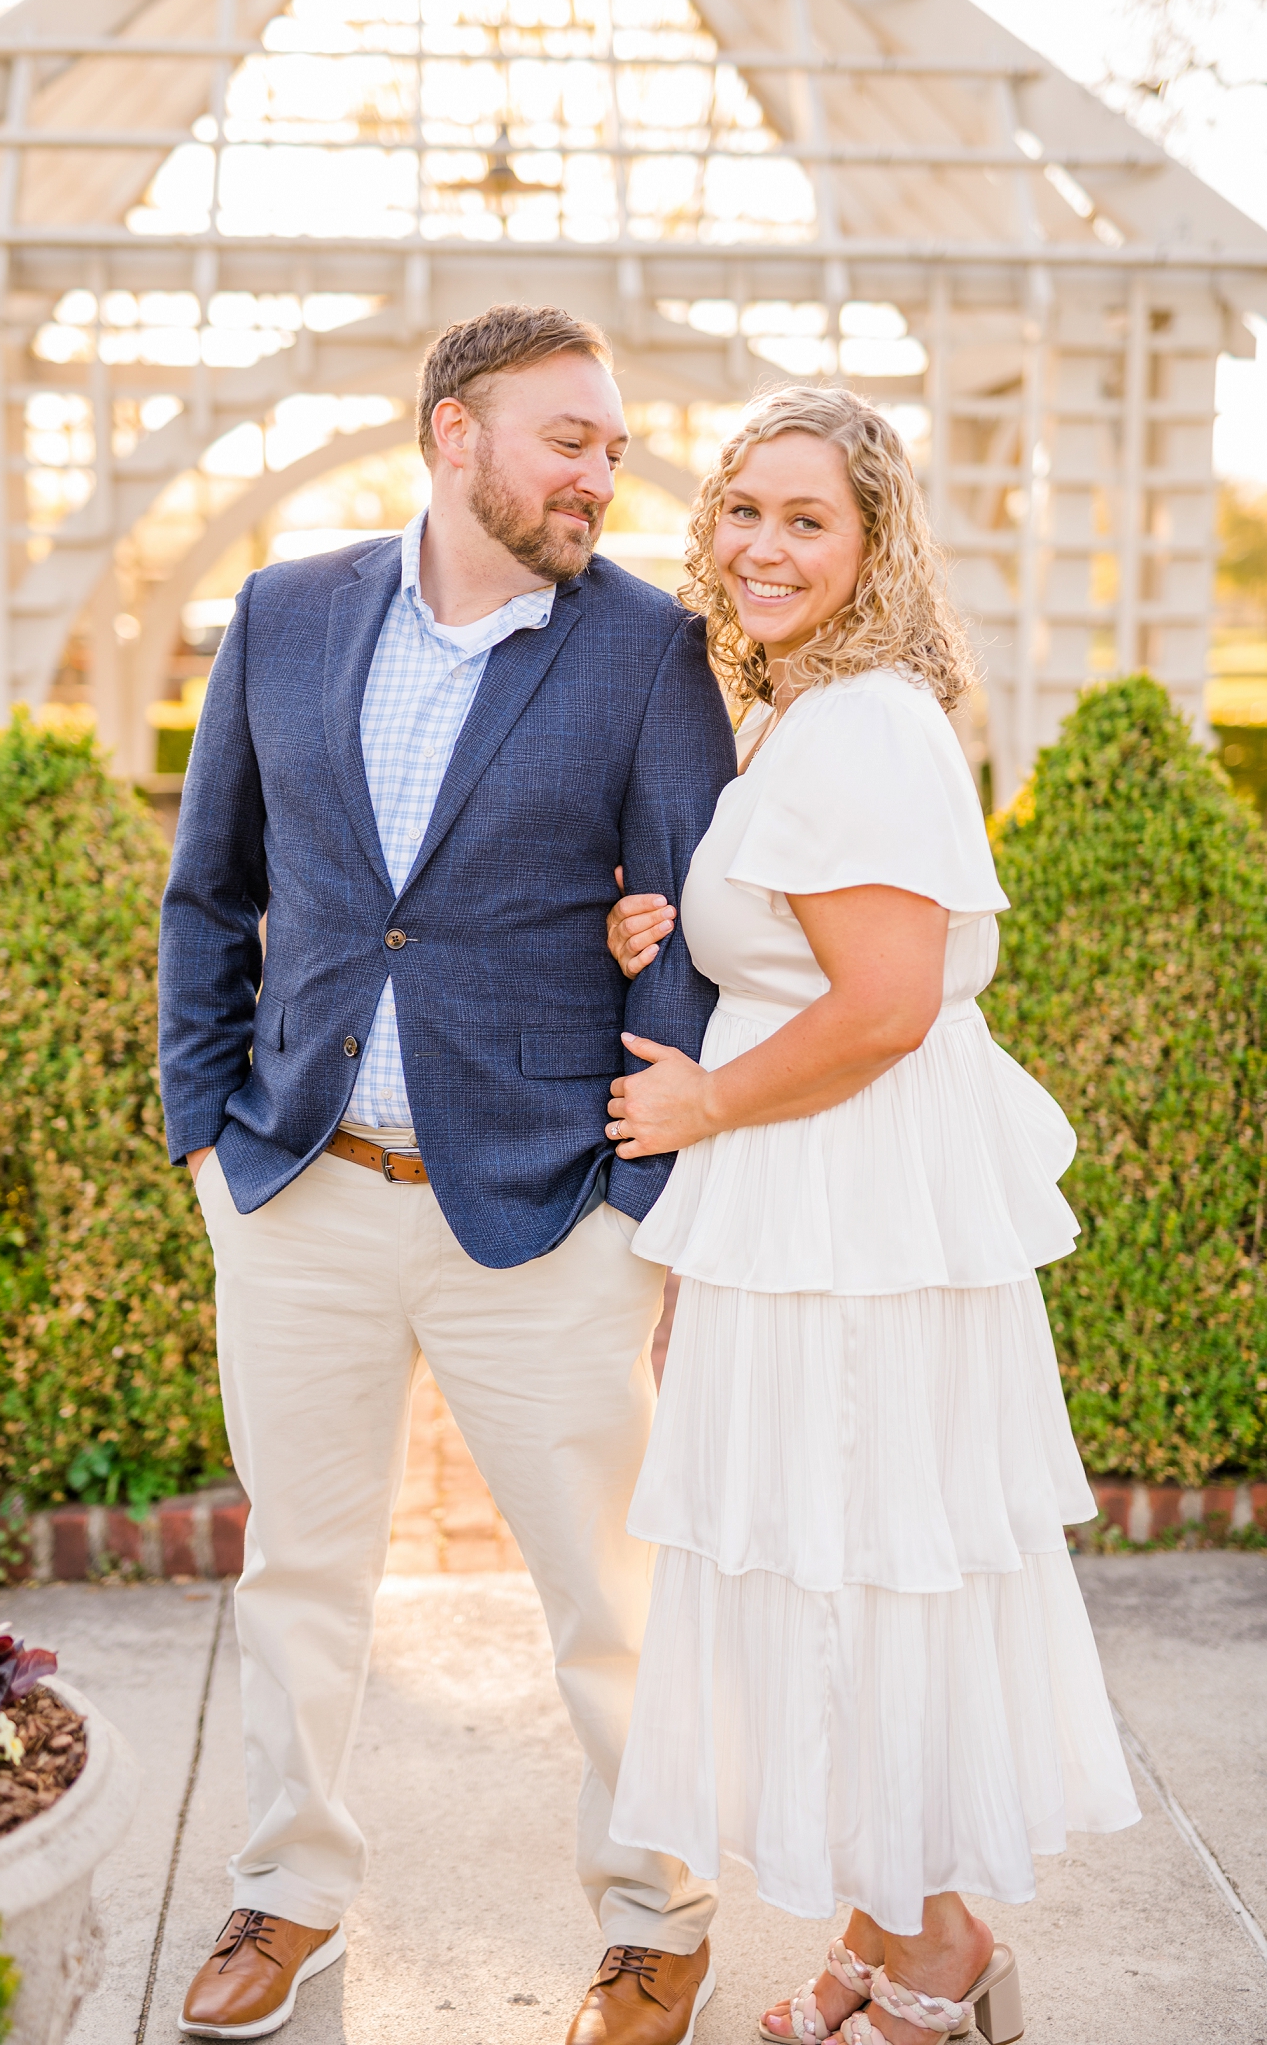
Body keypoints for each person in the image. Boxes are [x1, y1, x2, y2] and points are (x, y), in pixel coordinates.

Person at [157, 303, 736, 2043]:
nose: (600, 476)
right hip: (299, 1185)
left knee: (605, 1599)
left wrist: (634, 1205)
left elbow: (687, 936)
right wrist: (206, 1135)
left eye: (611, 448)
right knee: (298, 1574)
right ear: (453, 432)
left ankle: (655, 1915)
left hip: (545, 1210)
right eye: (569, 440)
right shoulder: (282, 613)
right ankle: (285, 1891)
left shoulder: (647, 648)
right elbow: (209, 892)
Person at [602, 386, 1140, 2045]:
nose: (761, 547)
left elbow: (889, 1003)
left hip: (844, 1210)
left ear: (873, 544)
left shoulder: (859, 727)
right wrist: (667, 931)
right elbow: (808, 946)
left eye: (805, 520)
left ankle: (934, 1951)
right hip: (814, 1192)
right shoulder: (804, 710)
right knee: (834, 1561)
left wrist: (700, 1104)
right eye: (742, 510)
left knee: (844, 1561)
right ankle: (890, 1914)